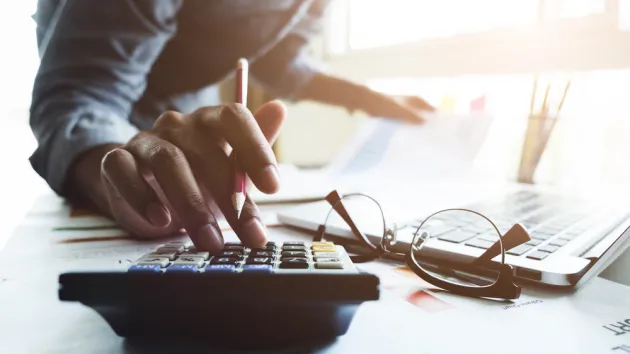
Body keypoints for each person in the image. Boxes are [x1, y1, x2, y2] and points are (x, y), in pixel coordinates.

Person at [29, 0, 433, 255]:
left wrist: (364, 98)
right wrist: (113, 171)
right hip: (119, 152)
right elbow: (78, 96)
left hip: (186, 142)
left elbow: (280, 58)